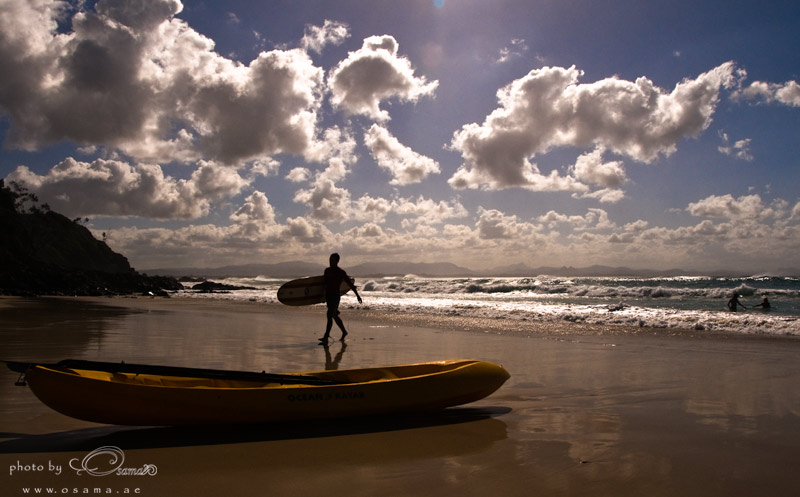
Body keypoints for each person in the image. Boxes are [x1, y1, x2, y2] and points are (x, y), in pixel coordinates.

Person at [319, 253, 362, 343]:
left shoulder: (341, 272)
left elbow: (350, 284)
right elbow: (324, 284)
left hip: (335, 296)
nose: (331, 261)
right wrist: (322, 296)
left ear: (337, 261)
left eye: (333, 260)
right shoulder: (327, 271)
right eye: (330, 259)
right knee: (334, 315)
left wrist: (357, 295)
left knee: (329, 314)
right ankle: (344, 331)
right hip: (328, 296)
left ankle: (326, 336)